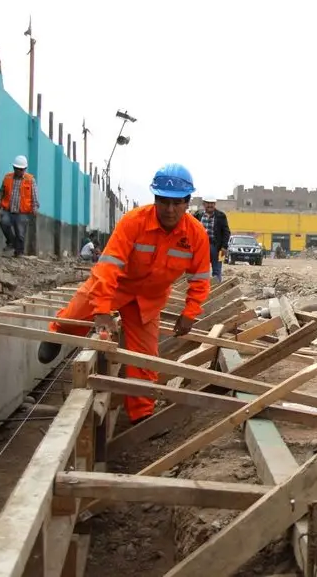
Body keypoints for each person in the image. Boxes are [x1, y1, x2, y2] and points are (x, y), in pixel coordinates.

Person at [36, 164, 212, 425]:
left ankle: (141, 415)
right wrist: (102, 310)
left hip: (149, 298)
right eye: (164, 201)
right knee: (75, 314)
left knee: (143, 359)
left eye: (177, 202)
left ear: (187, 202)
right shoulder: (133, 222)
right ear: (155, 199)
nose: (170, 209)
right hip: (118, 285)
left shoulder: (196, 235)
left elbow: (200, 278)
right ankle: (58, 331)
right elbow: (108, 267)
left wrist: (190, 313)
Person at [0, 155, 39, 257]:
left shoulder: (30, 180)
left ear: (25, 169)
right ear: (14, 168)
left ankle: (19, 253)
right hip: (8, 209)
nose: (19, 171)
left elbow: (34, 195)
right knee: (4, 223)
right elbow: (2, 191)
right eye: (17, 169)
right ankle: (11, 242)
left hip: (23, 211)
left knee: (20, 233)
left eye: (21, 169)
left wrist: (35, 207)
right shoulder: (7, 177)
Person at [194, 197, 230, 282]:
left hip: (216, 247)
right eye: (208, 203)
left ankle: (216, 290)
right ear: (204, 204)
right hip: (201, 246)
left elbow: (226, 232)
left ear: (215, 204)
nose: (210, 205)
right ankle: (200, 289)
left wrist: (224, 247)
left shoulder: (221, 216)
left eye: (212, 203)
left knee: (217, 270)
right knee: (199, 270)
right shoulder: (198, 215)